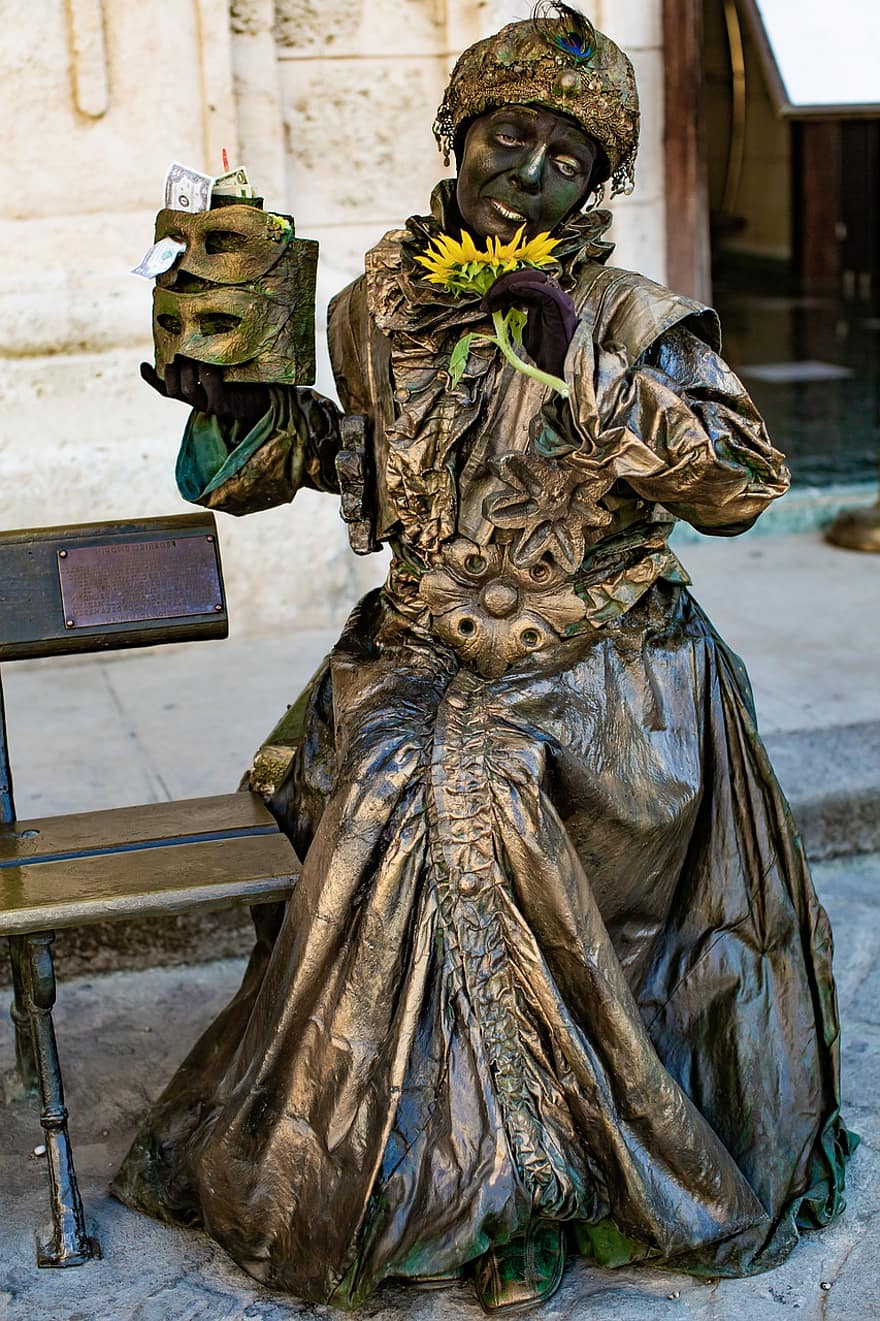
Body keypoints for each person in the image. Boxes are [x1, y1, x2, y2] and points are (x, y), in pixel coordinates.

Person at [113, 5, 853, 1313]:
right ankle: (457, 1186)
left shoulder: (632, 313)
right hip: (426, 650)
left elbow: (744, 479)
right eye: (507, 137)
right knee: (410, 777)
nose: (529, 172)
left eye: (568, 158)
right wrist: (240, 409)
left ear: (597, 187)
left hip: (609, 673)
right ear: (456, 140)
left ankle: (533, 1185)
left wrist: (583, 365)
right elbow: (363, 469)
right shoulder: (369, 306)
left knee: (463, 789)